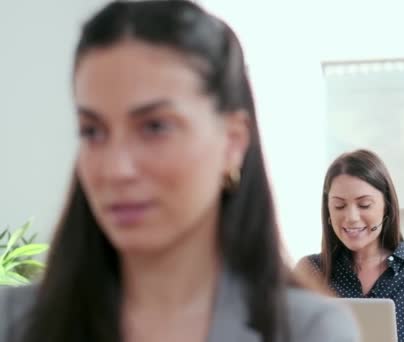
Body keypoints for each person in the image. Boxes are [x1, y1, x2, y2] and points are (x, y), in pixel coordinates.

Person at [0, 1, 359, 342]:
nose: (115, 169)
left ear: (232, 142)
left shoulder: (308, 331)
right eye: (93, 131)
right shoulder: (15, 323)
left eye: (155, 127)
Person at [295, 149, 404, 341]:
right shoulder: (310, 272)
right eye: (339, 206)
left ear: (386, 206)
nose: (351, 218)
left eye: (364, 205)